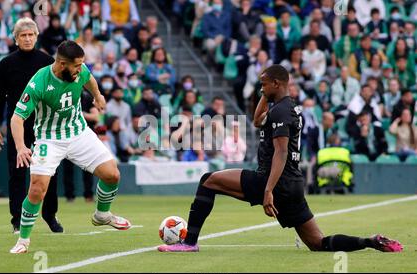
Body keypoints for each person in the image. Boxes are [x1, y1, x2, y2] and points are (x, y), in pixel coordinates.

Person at [158, 65, 402, 253]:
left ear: (277, 83)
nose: (260, 89)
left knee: (208, 180)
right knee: (318, 243)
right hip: (292, 185)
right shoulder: (288, 106)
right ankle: (371, 241)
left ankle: (189, 243)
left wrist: (268, 191)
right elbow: (256, 120)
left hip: (273, 180)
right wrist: (268, 94)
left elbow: (281, 152)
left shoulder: (282, 111)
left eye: (264, 85)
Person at [9, 40, 131, 254]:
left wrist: (98, 96)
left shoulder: (80, 70)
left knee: (112, 174)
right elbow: (17, 117)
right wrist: (20, 147)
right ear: (62, 64)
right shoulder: (39, 82)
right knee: (37, 189)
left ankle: (102, 215)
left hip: (78, 133)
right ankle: (23, 240)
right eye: (76, 66)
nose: (80, 69)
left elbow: (89, 78)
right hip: (49, 139)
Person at [0, 18, 62, 234]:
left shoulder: (48, 61)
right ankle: (17, 220)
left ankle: (50, 216)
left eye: (31, 34)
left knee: (49, 171)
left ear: (37, 36)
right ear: (16, 39)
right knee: (17, 171)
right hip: (18, 124)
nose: (28, 38)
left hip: (44, 124)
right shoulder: (6, 63)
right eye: (23, 35)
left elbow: (56, 93)